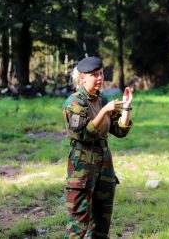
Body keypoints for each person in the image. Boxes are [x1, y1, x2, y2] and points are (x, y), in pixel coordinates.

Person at [62, 56, 133, 238]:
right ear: (82, 78)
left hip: (104, 164)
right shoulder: (74, 103)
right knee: (79, 221)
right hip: (83, 167)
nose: (99, 78)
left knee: (102, 220)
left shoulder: (102, 100)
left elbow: (120, 130)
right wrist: (104, 111)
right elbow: (83, 134)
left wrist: (126, 107)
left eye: (101, 73)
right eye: (94, 75)